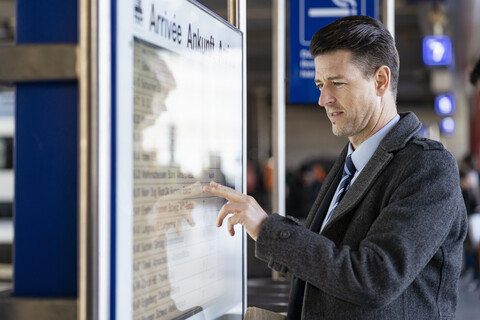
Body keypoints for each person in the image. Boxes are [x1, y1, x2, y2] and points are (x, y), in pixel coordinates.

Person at [204, 15, 467, 319]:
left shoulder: (427, 166)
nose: (323, 99)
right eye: (319, 84)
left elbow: (375, 278)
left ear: (380, 80)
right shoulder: (349, 163)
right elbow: (333, 257)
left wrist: (268, 229)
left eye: (337, 83)